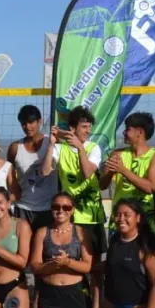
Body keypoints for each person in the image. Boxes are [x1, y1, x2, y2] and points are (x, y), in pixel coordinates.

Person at [94, 199, 155, 308]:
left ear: (138, 218)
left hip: (137, 307)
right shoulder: (115, 239)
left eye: (126, 215)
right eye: (117, 215)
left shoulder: (146, 245)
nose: (121, 218)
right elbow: (109, 267)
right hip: (112, 305)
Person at [30, 193, 93, 308]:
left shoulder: (80, 233)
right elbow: (35, 266)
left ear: (72, 210)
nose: (60, 210)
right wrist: (51, 267)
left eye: (66, 207)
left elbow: (88, 266)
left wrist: (68, 262)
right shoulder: (43, 232)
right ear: (51, 209)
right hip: (50, 292)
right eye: (56, 207)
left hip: (74, 292)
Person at [41, 106, 105, 256]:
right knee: (70, 258)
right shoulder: (60, 148)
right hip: (70, 214)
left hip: (91, 215)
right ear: (72, 128)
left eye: (89, 127)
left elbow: (88, 172)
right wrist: (51, 144)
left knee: (94, 264)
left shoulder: (94, 148)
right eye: (84, 127)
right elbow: (44, 171)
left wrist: (80, 148)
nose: (88, 131)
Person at [100, 112, 155, 247]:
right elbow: (102, 185)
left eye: (128, 129)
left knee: (147, 259)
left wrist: (123, 170)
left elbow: (150, 187)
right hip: (121, 218)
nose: (124, 132)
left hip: (145, 218)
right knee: (118, 259)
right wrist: (110, 171)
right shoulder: (118, 154)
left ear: (140, 132)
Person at [8, 104, 56, 232]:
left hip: (48, 208)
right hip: (23, 208)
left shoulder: (52, 142)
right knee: (23, 251)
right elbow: (8, 177)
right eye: (23, 123)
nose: (27, 127)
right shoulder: (15, 148)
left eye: (31, 122)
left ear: (39, 121)